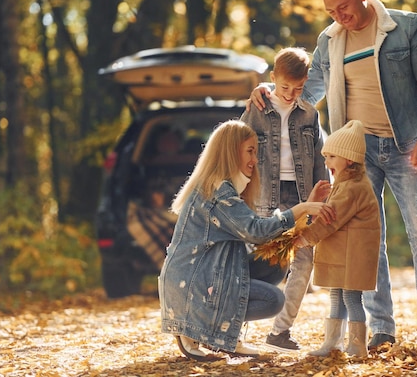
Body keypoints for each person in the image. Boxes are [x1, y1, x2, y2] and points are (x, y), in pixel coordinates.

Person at [248, 0, 417, 354]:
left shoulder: (406, 27)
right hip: (354, 156)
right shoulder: (330, 40)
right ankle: (381, 329)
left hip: (406, 147)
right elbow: (306, 91)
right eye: (331, 11)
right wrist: (269, 89)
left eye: (344, 7)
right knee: (366, 242)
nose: (339, 16)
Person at [158, 119, 333, 361]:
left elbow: (267, 236)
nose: (255, 159)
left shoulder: (225, 188)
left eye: (256, 152)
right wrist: (301, 208)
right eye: (250, 151)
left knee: (275, 264)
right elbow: (256, 230)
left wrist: (304, 212)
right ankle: (199, 330)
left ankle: (221, 332)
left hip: (208, 274)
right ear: (231, 152)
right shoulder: (218, 192)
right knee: (274, 300)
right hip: (194, 285)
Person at [239, 47, 329, 353]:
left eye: (299, 88)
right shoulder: (257, 108)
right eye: (285, 87)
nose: (291, 95)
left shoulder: (310, 113)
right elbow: (239, 149)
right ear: (273, 78)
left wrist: (322, 194)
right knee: (250, 260)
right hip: (264, 194)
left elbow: (318, 158)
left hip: (301, 195)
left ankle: (280, 331)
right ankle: (234, 327)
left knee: (303, 261)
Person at [292, 120, 380, 358]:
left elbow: (330, 220)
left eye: (331, 156)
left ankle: (357, 345)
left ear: (348, 159)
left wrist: (305, 238)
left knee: (351, 298)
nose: (326, 161)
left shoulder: (353, 188)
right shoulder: (345, 185)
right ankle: (332, 343)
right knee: (337, 295)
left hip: (353, 254)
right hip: (343, 254)